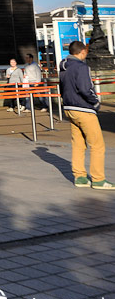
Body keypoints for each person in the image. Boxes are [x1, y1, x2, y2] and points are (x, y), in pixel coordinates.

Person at [60, 41, 112, 189]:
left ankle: (80, 177)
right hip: (83, 109)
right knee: (97, 145)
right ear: (82, 52)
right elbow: (85, 88)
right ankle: (98, 179)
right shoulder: (82, 67)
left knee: (78, 144)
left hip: (69, 107)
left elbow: (62, 87)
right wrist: (95, 103)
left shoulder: (63, 67)